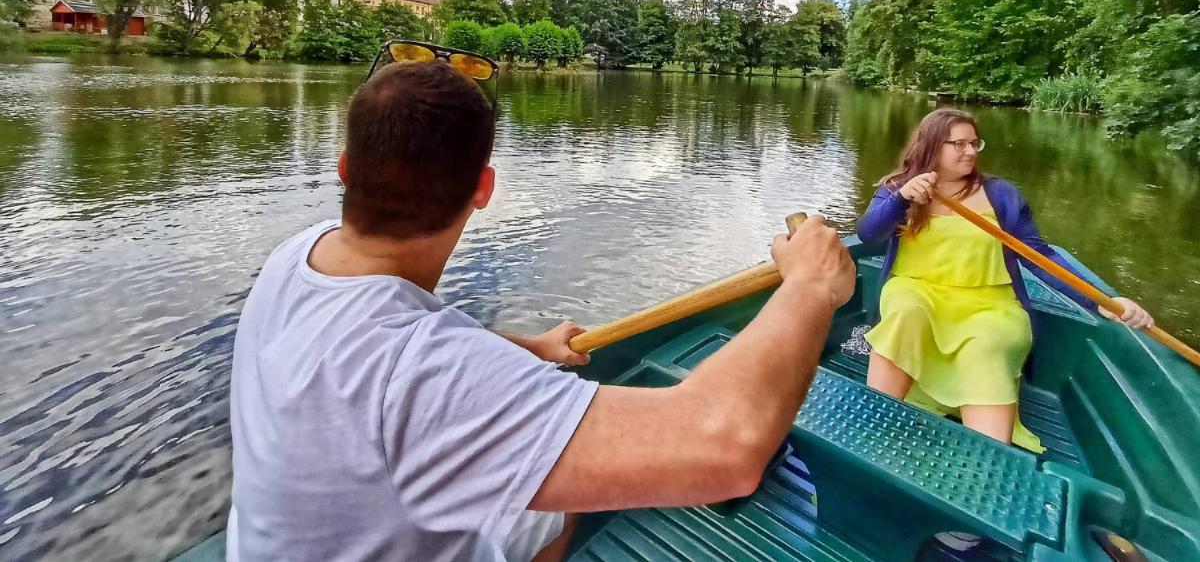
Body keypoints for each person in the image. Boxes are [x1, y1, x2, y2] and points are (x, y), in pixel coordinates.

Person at [227, 40, 856, 562]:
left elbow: (410, 337)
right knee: (556, 510)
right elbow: (728, 448)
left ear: (345, 167)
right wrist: (809, 285)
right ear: (483, 188)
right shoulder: (417, 368)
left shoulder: (299, 256)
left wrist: (530, 349)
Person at [857, 107, 1153, 453]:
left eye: (974, 143)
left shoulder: (1001, 195)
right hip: (917, 289)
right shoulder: (901, 188)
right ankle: (875, 426)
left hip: (990, 302)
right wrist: (900, 199)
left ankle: (991, 460)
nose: (970, 152)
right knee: (905, 313)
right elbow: (868, 235)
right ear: (932, 146)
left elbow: (1041, 257)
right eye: (959, 144)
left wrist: (1100, 301)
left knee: (989, 343)